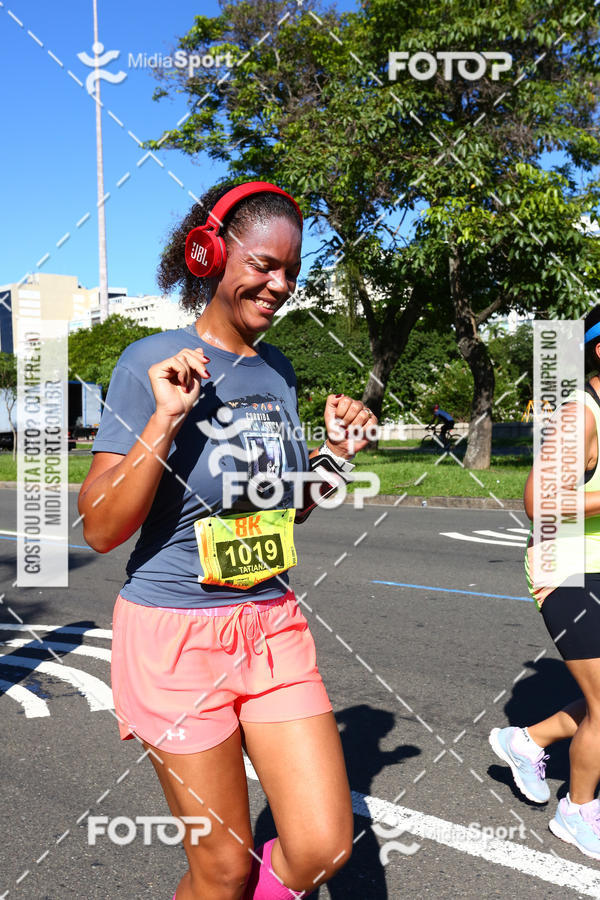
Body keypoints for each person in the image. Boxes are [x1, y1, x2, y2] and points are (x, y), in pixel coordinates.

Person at [78, 181, 378, 899]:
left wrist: (335, 456)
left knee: (322, 846)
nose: (280, 286)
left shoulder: (279, 373)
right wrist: (164, 419)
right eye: (263, 265)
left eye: (290, 271)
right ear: (209, 254)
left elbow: (284, 512)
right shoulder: (149, 361)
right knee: (223, 870)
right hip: (176, 632)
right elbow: (100, 528)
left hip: (271, 625)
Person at [489, 305, 600, 860]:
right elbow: (539, 503)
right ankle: (576, 811)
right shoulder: (582, 415)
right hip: (566, 569)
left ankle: (528, 739)